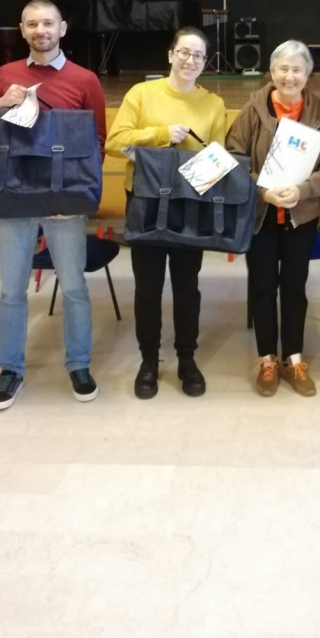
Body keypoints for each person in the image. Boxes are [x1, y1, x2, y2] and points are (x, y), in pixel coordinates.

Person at [0, 0, 107, 411]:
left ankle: (79, 364)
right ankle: (10, 369)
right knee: (10, 291)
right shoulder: (6, 75)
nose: (41, 30)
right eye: (32, 24)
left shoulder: (85, 79)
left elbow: (97, 143)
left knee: (74, 288)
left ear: (62, 28)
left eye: (48, 23)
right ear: (22, 30)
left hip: (63, 201)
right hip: (13, 196)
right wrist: (0, 105)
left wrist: (77, 196)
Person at [105, 27, 226, 399]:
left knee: (187, 287)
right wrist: (159, 135)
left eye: (198, 56)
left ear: (205, 63)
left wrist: (186, 179)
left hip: (189, 206)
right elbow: (114, 143)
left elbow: (217, 160)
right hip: (145, 203)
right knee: (148, 287)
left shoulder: (213, 104)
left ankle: (187, 359)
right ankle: (149, 360)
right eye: (184, 52)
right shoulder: (141, 94)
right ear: (170, 55)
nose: (190, 61)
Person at [226, 40, 320, 397]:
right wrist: (263, 192)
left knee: (294, 286)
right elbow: (233, 160)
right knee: (262, 286)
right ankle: (267, 359)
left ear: (308, 74)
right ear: (271, 72)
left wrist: (304, 190)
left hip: (300, 217)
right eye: (283, 69)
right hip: (261, 216)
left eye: (297, 70)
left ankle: (293, 358)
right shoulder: (253, 110)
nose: (290, 76)